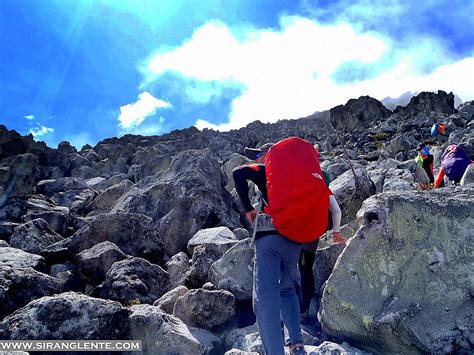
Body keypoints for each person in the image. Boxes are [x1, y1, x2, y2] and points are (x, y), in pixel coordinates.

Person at [233, 142, 307, 355]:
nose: (255, 159)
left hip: (269, 238)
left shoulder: (266, 169)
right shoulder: (296, 174)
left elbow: (238, 174)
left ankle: (275, 351)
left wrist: (248, 209)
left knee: (265, 298)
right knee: (288, 289)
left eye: (258, 154)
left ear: (269, 154)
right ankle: (297, 344)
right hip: (294, 240)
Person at [298, 171, 344, 320]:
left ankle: (287, 304)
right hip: (312, 234)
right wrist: (336, 233)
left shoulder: (299, 186)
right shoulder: (324, 190)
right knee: (306, 269)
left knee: (289, 267)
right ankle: (303, 309)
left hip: (292, 231)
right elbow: (336, 211)